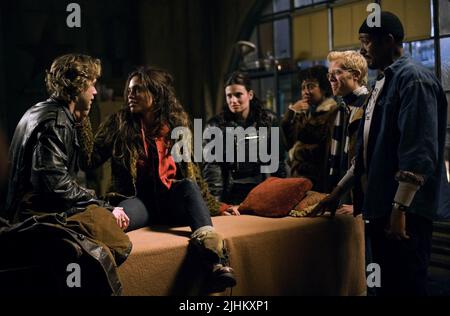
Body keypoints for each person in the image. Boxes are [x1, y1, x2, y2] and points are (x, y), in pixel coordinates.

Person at [313, 12, 450, 296]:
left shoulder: (413, 79)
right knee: (385, 286)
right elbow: (368, 151)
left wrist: (400, 209)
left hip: (402, 214)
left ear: (388, 41)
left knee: (406, 286)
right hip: (381, 209)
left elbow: (419, 150)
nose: (362, 50)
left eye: (367, 42)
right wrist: (337, 192)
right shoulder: (383, 81)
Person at [77, 66, 236, 293]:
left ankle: (217, 264)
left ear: (157, 92)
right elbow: (89, 160)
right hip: (139, 202)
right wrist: (82, 120)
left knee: (188, 186)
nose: (131, 95)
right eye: (129, 90)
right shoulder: (119, 123)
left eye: (138, 90)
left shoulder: (177, 125)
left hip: (171, 200)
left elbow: (193, 176)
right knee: (114, 222)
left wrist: (219, 206)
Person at [3, 54, 131, 294]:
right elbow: (54, 184)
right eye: (91, 84)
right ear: (77, 87)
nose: (95, 92)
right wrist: (102, 205)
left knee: (106, 222)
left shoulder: (44, 110)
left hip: (31, 206)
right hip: (37, 212)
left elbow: (77, 164)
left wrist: (81, 119)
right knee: (117, 238)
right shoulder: (57, 122)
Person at [203, 71, 286, 208]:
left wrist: (282, 196)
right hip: (231, 194)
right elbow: (212, 169)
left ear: (250, 95)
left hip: (263, 190)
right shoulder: (215, 126)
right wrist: (217, 205)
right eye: (229, 96)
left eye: (238, 95)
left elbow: (279, 162)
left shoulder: (269, 121)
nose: (233, 100)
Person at [281, 66, 337, 192]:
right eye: (303, 88)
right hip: (299, 176)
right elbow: (288, 142)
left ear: (323, 88)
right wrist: (291, 113)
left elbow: (313, 139)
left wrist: (299, 115)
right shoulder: (307, 113)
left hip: (316, 179)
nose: (305, 92)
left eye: (311, 86)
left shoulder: (331, 112)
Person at [326, 50, 369, 213]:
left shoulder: (367, 105)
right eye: (329, 73)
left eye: (337, 73)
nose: (330, 78)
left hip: (360, 198)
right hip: (342, 192)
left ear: (356, 75)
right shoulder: (341, 109)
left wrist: (361, 205)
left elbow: (369, 159)